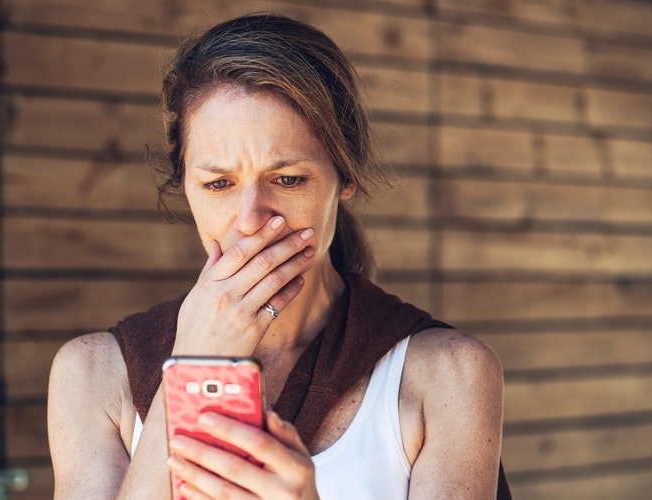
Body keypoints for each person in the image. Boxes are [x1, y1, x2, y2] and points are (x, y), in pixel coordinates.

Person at [47, 13, 507, 500]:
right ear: (185, 185)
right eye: (218, 183)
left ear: (344, 177)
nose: (250, 219)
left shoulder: (448, 375)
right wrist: (194, 363)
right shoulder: (93, 373)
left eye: (288, 179)